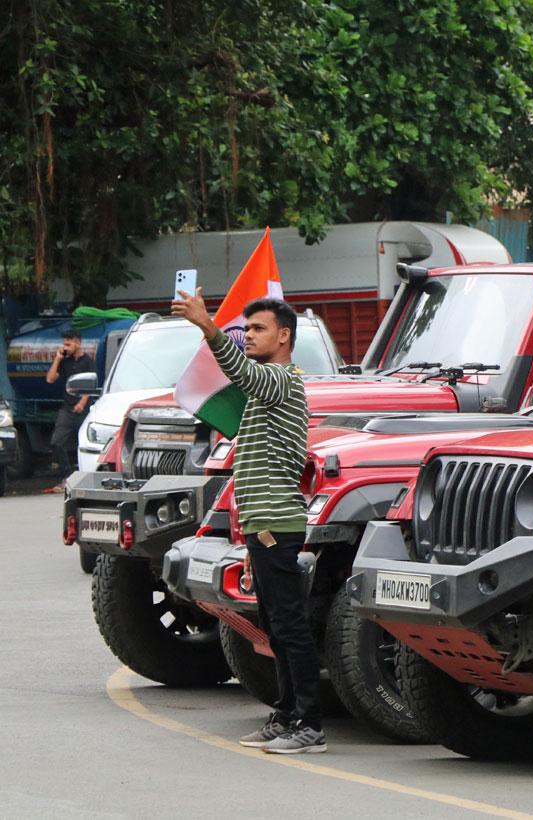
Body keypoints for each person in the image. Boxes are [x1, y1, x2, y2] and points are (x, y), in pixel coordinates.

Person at [171, 288, 324, 754]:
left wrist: (208, 326)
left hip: (278, 523)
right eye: (247, 328)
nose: (248, 337)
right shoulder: (265, 388)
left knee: (290, 626)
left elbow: (241, 372)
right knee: (275, 627)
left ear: (284, 336)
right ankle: (286, 714)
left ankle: (310, 726)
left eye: (257, 329)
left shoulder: (283, 380)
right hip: (262, 525)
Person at [45, 327, 95, 489]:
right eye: (64, 344)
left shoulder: (88, 361)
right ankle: (67, 474)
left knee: (84, 443)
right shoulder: (65, 361)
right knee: (57, 441)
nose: (66, 347)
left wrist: (82, 402)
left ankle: (85, 475)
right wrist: (58, 359)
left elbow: (91, 384)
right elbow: (50, 379)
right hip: (67, 407)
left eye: (69, 343)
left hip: (83, 408)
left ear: (78, 343)